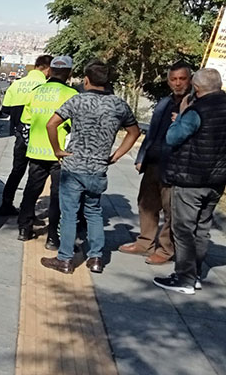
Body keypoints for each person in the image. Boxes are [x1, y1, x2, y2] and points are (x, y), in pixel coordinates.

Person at [40, 61, 140, 274]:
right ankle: (96, 258)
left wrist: (57, 150)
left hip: (73, 166)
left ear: (86, 80)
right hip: (98, 167)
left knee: (69, 213)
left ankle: (65, 259)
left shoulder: (76, 101)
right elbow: (134, 132)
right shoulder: (119, 105)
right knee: (94, 211)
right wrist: (115, 156)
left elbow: (51, 124)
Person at [153, 68, 226, 295]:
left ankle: (184, 278)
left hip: (190, 179)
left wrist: (182, 116)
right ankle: (194, 275)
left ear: (196, 87)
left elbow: (173, 137)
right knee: (202, 229)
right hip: (216, 181)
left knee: (183, 230)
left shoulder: (197, 110)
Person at [118, 61, 192, 264]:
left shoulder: (194, 104)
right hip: (154, 161)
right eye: (173, 79)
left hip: (176, 165)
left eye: (182, 79)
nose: (178, 83)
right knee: (146, 204)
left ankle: (166, 249)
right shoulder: (164, 102)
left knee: (171, 210)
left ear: (190, 79)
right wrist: (142, 156)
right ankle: (145, 242)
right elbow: (151, 132)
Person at [16, 55, 78, 248]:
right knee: (58, 196)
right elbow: (75, 125)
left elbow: (25, 121)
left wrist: (30, 143)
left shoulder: (36, 92)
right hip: (60, 154)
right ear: (69, 73)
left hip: (36, 151)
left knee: (31, 191)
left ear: (50, 71)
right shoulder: (72, 95)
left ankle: (24, 230)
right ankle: (52, 238)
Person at [0, 55, 53, 216]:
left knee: (17, 171)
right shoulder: (46, 86)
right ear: (48, 69)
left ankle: (6, 203)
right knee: (35, 175)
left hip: (20, 136)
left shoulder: (17, 84)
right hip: (40, 138)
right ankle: (27, 210)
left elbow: (5, 110)